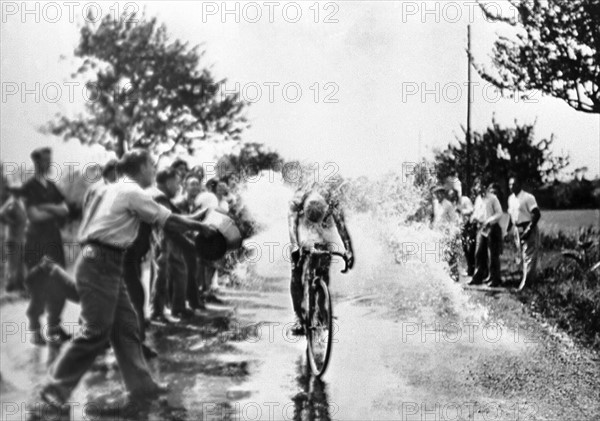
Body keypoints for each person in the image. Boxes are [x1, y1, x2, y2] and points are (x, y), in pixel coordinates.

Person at [31, 149, 218, 418]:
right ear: (141, 167)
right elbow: (170, 221)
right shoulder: (133, 192)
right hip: (101, 261)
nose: (154, 171)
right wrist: (201, 227)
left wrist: (199, 218)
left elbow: (170, 218)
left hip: (104, 260)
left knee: (126, 327)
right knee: (96, 331)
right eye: (151, 166)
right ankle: (52, 393)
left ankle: (142, 386)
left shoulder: (112, 188)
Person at [288, 182, 355, 335]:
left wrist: (348, 249)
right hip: (303, 227)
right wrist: (295, 247)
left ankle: (320, 310)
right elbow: (292, 226)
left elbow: (341, 228)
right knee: (296, 269)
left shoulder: (332, 202)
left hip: (324, 227)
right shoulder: (296, 201)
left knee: (323, 260)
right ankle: (298, 316)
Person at [21, 147, 71, 345]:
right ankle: (34, 329)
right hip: (36, 243)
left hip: (53, 241)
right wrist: (55, 211)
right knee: (39, 286)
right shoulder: (29, 187)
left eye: (50, 160)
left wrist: (47, 208)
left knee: (60, 283)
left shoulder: (51, 186)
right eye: (45, 161)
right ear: (36, 162)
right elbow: (34, 216)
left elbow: (65, 210)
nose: (49, 164)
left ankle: (54, 327)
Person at [150, 168, 197, 320]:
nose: (179, 187)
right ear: (168, 182)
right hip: (160, 242)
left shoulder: (162, 198)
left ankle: (178, 307)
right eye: (177, 183)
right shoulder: (159, 197)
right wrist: (189, 243)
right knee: (161, 276)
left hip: (167, 242)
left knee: (178, 270)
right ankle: (157, 311)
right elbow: (169, 224)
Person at [174, 172, 205, 310]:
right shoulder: (180, 202)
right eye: (192, 184)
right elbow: (180, 221)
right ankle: (186, 303)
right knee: (183, 272)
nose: (195, 187)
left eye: (197, 184)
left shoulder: (197, 203)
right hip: (179, 240)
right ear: (185, 187)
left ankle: (193, 301)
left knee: (192, 271)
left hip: (191, 241)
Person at [508, 175, 541, 291]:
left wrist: (528, 230)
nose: (512, 187)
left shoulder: (528, 197)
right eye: (510, 185)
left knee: (529, 256)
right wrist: (508, 230)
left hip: (528, 228)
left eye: (514, 184)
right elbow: (511, 216)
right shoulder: (511, 199)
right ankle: (529, 281)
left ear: (520, 185)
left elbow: (536, 214)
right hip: (518, 229)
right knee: (521, 257)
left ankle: (525, 286)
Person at [469, 183, 503, 287]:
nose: (479, 191)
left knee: (492, 254)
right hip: (481, 227)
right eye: (477, 189)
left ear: (485, 187)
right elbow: (476, 212)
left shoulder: (493, 198)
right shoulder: (478, 199)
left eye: (481, 188)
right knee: (479, 253)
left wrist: (490, 221)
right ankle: (478, 277)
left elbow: (499, 213)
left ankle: (495, 278)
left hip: (491, 227)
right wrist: (473, 218)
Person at [0, 185, 27, 292]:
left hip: (20, 237)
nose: (18, 193)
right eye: (16, 191)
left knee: (20, 262)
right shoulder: (11, 202)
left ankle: (20, 285)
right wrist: (10, 222)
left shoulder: (20, 202)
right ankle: (9, 286)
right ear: (13, 192)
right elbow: (1, 213)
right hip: (12, 238)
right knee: (12, 263)